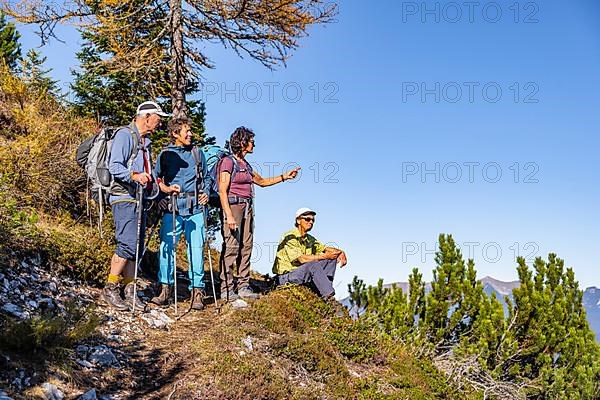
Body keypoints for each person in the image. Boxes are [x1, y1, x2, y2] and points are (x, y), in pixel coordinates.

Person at [218, 126, 300, 301]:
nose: (254, 143)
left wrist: (284, 177)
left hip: (248, 209)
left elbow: (262, 181)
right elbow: (222, 190)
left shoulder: (246, 165)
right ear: (242, 142)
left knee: (246, 246)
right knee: (232, 246)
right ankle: (226, 288)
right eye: (251, 140)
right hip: (234, 207)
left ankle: (243, 286)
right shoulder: (227, 162)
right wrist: (229, 215)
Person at [101, 101, 168, 311]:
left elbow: (149, 174)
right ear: (146, 117)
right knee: (128, 244)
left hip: (139, 199)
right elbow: (114, 166)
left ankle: (130, 290)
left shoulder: (145, 143)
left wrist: (163, 189)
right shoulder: (125, 135)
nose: (159, 123)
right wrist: (134, 176)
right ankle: (111, 286)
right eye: (158, 118)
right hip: (124, 197)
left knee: (137, 247)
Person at [151, 117, 210, 310]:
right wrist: (166, 190)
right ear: (175, 133)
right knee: (166, 248)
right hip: (173, 207)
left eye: (190, 130)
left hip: (196, 209)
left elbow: (207, 179)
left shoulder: (197, 153)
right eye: (187, 131)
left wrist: (206, 194)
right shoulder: (165, 154)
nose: (190, 134)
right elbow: (156, 179)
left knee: (196, 250)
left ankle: (198, 293)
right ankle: (165, 290)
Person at [272, 207, 347, 299]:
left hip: (301, 274)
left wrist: (340, 252)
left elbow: (325, 249)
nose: (311, 222)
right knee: (313, 264)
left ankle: (323, 289)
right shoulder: (290, 236)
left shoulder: (310, 239)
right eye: (307, 219)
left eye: (313, 220)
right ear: (298, 221)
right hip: (285, 277)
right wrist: (324, 255)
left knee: (331, 259)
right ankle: (329, 296)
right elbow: (301, 259)